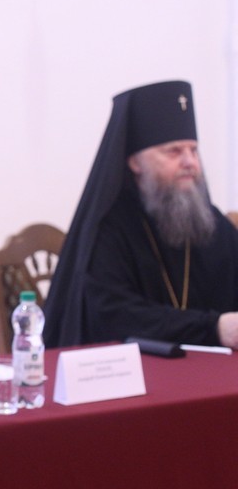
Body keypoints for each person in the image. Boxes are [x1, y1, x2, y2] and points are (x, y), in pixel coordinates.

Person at [44, 80, 238, 350]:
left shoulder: (209, 221)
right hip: (133, 369)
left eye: (193, 150)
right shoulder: (110, 228)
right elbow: (114, 318)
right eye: (174, 151)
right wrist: (213, 328)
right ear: (136, 162)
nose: (190, 162)